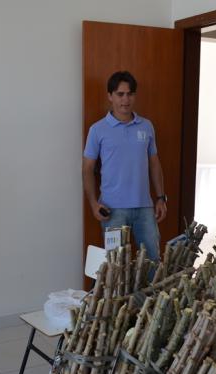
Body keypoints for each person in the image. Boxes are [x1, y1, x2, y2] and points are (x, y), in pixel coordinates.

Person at [82, 71, 167, 261]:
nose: (125, 100)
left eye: (130, 94)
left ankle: (152, 293)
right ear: (110, 96)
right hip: (113, 211)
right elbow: (87, 168)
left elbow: (154, 163)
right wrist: (93, 203)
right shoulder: (97, 130)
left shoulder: (146, 126)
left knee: (153, 261)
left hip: (145, 208)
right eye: (120, 94)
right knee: (116, 267)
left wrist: (161, 198)